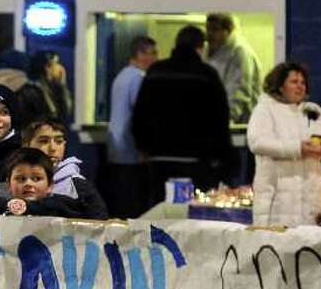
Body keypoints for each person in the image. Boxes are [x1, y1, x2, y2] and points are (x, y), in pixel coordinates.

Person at [132, 26, 233, 206]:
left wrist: (143, 146)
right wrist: (220, 157)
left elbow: (140, 113)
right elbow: (219, 119)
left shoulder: (156, 71)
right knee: (192, 215)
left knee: (158, 213)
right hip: (196, 160)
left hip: (159, 159)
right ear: (200, 47)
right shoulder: (207, 74)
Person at [247, 62, 321, 228]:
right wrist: (298, 148)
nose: (300, 87)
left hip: (310, 204)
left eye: (303, 82)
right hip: (276, 204)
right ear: (280, 86)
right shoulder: (265, 109)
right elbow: (257, 142)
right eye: (294, 82)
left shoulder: (313, 110)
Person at [106, 36, 157, 218]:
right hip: (131, 150)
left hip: (117, 149)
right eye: (151, 53)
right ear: (139, 54)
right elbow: (140, 112)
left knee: (120, 204)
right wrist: (144, 147)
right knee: (134, 206)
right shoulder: (138, 78)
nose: (154, 58)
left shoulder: (122, 75)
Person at [23, 119, 108, 219]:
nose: (53, 148)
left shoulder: (78, 186)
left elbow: (100, 224)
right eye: (44, 141)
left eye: (59, 141)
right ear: (26, 144)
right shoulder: (11, 179)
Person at [0, 147, 84, 217]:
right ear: (9, 184)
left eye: (36, 179)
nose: (28, 184)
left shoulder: (60, 205)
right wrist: (15, 206)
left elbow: (76, 208)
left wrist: (25, 207)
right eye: (21, 179)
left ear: (50, 185)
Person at [205, 13, 262, 124]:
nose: (209, 34)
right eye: (208, 29)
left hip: (239, 123)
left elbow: (238, 93)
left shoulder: (240, 52)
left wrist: (226, 119)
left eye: (215, 29)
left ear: (228, 30)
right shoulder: (212, 51)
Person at [18, 51, 74, 129]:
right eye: (57, 63)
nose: (61, 68)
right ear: (47, 67)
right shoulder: (30, 92)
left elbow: (65, 113)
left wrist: (62, 85)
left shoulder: (54, 89)